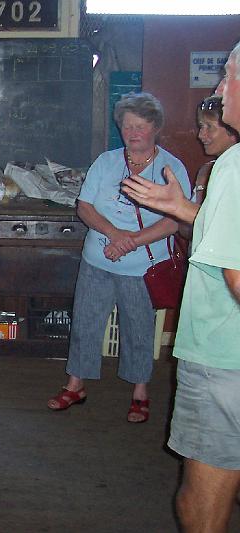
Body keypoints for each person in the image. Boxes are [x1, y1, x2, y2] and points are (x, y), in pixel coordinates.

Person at [121, 42, 240, 531]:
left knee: (205, 494)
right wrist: (186, 209)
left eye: (229, 76)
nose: (218, 88)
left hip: (222, 356)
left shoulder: (233, 166)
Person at [46, 92, 190, 423]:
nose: (133, 133)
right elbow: (85, 206)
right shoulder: (106, 162)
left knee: (138, 328)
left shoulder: (171, 168)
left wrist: (131, 241)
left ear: (155, 127)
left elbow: (176, 220)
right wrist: (115, 235)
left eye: (140, 126)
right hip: (99, 257)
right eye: (127, 127)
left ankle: (140, 392)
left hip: (142, 265)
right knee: (85, 322)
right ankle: (75, 384)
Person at [192, 95, 238, 205]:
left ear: (233, 131)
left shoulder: (234, 169)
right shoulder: (207, 170)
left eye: (209, 127)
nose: (201, 135)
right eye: (201, 126)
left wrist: (177, 204)